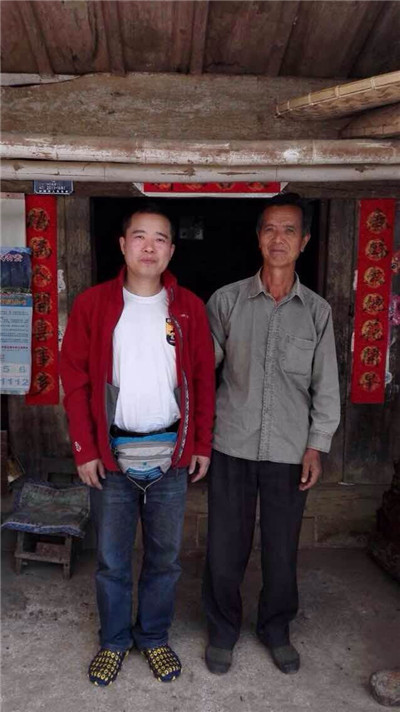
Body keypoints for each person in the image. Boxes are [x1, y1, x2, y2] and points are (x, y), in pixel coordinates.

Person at [60, 203, 215, 686]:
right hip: (111, 459)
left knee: (164, 559)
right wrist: (85, 450)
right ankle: (113, 641)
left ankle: (153, 636)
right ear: (123, 245)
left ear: (171, 250)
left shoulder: (188, 308)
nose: (150, 247)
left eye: (160, 238)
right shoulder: (93, 305)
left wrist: (201, 443)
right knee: (112, 560)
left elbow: (203, 380)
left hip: (171, 457)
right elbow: (75, 381)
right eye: (140, 237)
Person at [203, 193, 340, 676]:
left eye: (289, 231)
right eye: (269, 229)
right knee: (225, 546)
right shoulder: (226, 301)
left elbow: (325, 385)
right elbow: (201, 371)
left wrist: (316, 445)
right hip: (232, 443)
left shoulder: (317, 312)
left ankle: (275, 628)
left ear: (304, 242)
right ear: (258, 237)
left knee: (281, 550)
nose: (278, 239)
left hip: (288, 449)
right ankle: (222, 630)